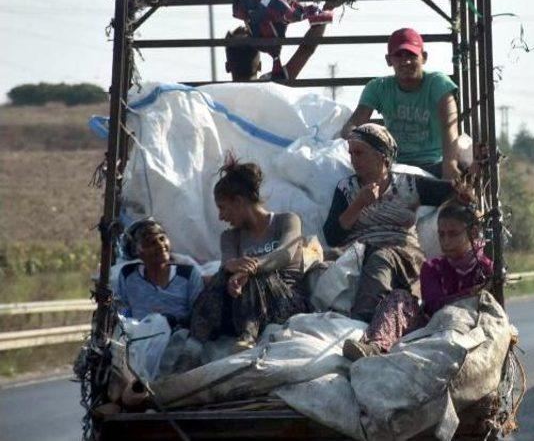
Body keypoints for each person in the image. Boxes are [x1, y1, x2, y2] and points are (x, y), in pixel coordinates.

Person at [322, 123, 454, 323]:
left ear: (381, 156)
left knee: (380, 259)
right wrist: (358, 204)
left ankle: (363, 320)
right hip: (359, 254)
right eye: (351, 154)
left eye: (360, 153)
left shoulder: (407, 185)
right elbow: (332, 236)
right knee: (321, 269)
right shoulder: (347, 189)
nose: (353, 160)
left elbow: (453, 192)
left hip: (402, 256)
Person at [342, 192, 493, 361]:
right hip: (434, 327)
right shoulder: (432, 268)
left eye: (453, 234)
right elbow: (435, 305)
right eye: (441, 234)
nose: (446, 241)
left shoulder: (486, 269)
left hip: (469, 329)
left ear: (472, 233)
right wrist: (472, 293)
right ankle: (374, 346)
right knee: (399, 297)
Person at [190, 156, 308, 352]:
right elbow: (228, 263)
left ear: (238, 201)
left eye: (222, 207)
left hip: (285, 303)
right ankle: (192, 347)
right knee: (221, 277)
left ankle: (248, 336)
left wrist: (252, 267)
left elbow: (284, 254)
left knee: (255, 273)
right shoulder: (229, 237)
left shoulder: (286, 221)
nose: (221, 216)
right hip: (243, 308)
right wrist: (232, 275)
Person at [340, 27, 460, 179]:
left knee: (456, 197)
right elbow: (354, 124)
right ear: (389, 60)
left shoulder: (438, 84)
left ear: (424, 57)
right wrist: (359, 145)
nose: (406, 61)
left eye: (412, 55)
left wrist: (450, 164)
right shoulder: (378, 87)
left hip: (433, 164)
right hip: (393, 166)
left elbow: (450, 125)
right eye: (399, 55)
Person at [225, 0, 339, 82]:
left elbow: (306, 50)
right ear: (259, 65)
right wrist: (326, 9)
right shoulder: (273, 83)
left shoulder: (215, 98)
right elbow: (306, 49)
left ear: (227, 67)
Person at [115, 218, 204, 327]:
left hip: (179, 339)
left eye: (162, 238)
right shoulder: (128, 275)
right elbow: (123, 310)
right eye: (151, 243)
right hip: (140, 338)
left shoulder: (188, 274)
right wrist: (127, 323)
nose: (160, 245)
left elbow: (199, 314)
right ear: (137, 251)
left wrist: (173, 322)